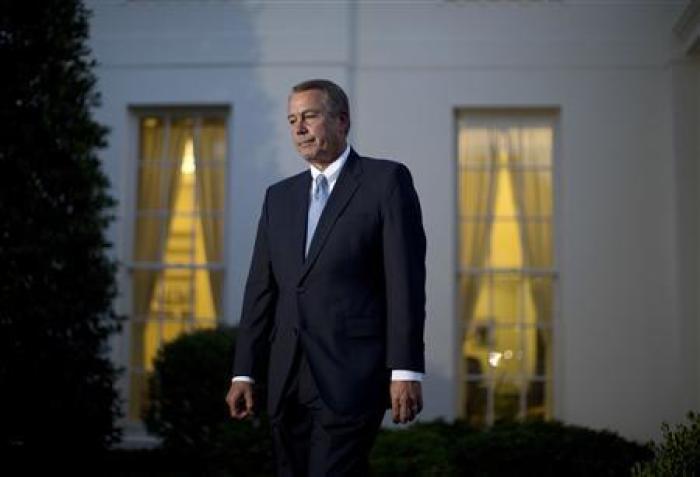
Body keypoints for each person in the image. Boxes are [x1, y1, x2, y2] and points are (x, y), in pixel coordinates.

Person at [225, 79, 426, 476]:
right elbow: (260, 291)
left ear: (341, 121)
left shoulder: (385, 182)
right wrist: (244, 371)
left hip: (351, 374)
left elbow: (405, 281)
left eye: (310, 116)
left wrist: (404, 369)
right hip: (286, 377)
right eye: (292, 120)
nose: (299, 128)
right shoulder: (278, 197)